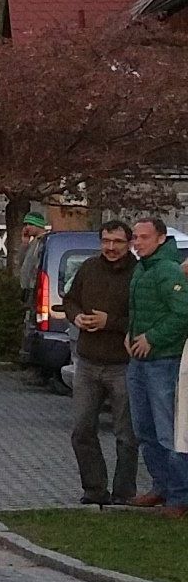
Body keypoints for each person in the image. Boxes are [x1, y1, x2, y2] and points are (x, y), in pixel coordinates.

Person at [56, 220, 139, 506]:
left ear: (128, 243)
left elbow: (141, 321)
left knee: (126, 436)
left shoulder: (138, 274)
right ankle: (94, 489)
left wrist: (110, 323)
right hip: (88, 362)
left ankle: (124, 493)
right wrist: (76, 316)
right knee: (82, 430)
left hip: (123, 364)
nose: (111, 247)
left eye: (117, 242)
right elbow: (70, 300)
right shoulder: (89, 268)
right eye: (106, 241)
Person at [122, 218, 188, 517]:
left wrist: (152, 338)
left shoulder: (167, 271)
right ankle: (160, 486)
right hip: (138, 360)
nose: (137, 242)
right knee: (143, 428)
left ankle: (178, 495)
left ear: (161, 238)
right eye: (135, 237)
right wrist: (131, 331)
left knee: (168, 431)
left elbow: (181, 315)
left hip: (163, 361)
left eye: (144, 237)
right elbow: (140, 309)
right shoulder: (142, 268)